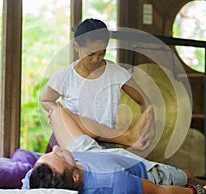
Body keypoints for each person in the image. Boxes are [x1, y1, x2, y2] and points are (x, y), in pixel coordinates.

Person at [24, 105, 206, 194]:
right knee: (187, 176)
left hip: (85, 153)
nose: (55, 147)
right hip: (135, 168)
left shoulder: (34, 182)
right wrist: (201, 193)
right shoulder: (114, 184)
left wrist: (66, 157)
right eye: (60, 155)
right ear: (75, 178)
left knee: (55, 110)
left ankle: (130, 137)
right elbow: (162, 193)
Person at [40, 18, 155, 151]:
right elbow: (46, 99)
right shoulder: (65, 77)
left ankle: (130, 138)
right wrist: (58, 113)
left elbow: (145, 103)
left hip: (104, 141)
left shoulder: (116, 73)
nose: (96, 59)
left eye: (102, 53)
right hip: (70, 140)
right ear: (76, 46)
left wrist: (150, 128)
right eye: (91, 54)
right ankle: (129, 137)